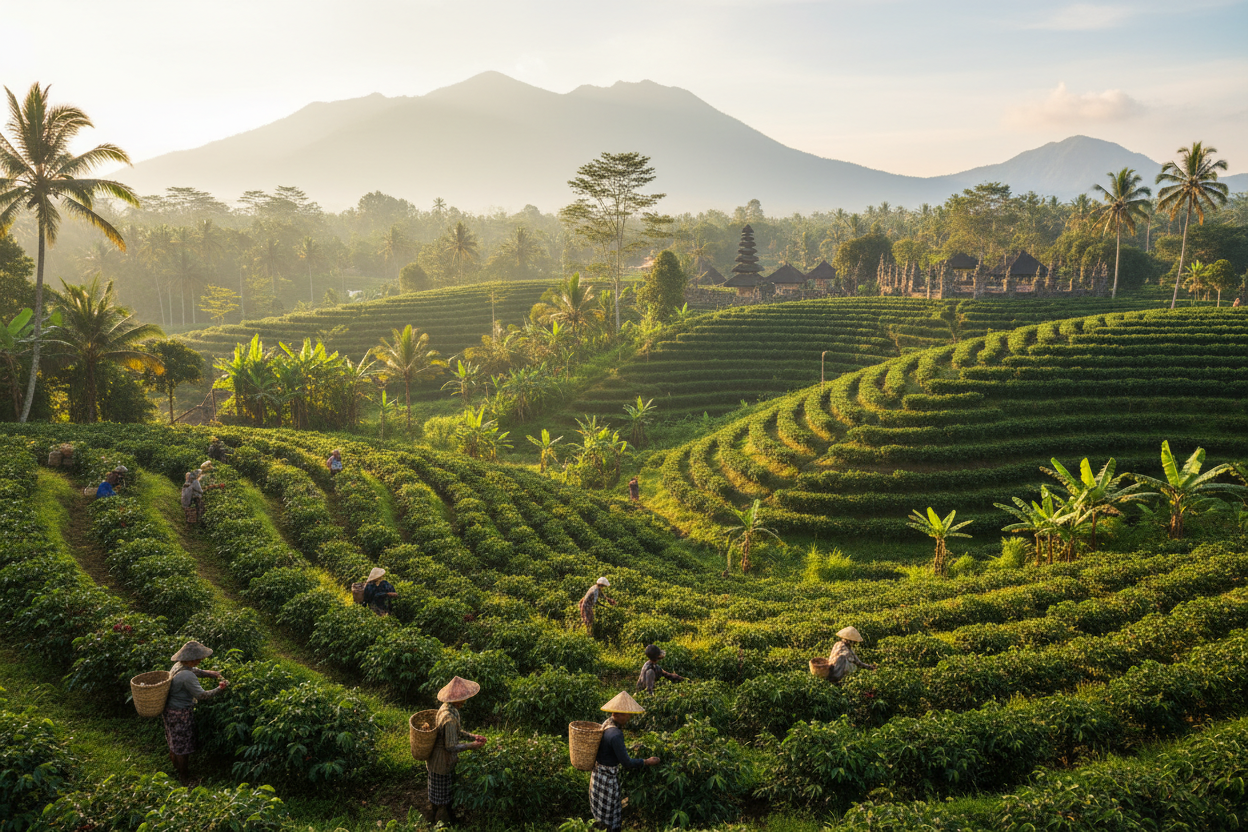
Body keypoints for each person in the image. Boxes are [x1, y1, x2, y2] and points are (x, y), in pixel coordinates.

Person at [590, 691, 660, 832]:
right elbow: (627, 763)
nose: (629, 718)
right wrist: (646, 761)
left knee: (600, 815)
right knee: (608, 819)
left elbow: (610, 749)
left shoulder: (606, 723)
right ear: (618, 714)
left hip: (597, 777)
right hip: (607, 781)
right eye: (627, 714)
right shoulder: (616, 734)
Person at [164, 640, 229, 785]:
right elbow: (202, 695)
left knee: (174, 741)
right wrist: (220, 688)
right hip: (180, 714)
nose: (201, 660)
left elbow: (194, 671)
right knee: (183, 747)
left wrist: (210, 674)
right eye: (200, 658)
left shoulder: (178, 666)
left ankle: (176, 767)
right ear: (192, 659)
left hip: (169, 710)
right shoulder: (187, 676)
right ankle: (184, 777)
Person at [426, 676, 487, 825]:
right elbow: (451, 747)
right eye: (464, 698)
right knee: (442, 796)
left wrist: (472, 736)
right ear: (458, 700)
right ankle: (441, 821)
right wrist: (472, 745)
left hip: (436, 759)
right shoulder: (450, 718)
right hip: (441, 761)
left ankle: (436, 816)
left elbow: (456, 732)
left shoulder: (447, 707)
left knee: (438, 791)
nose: (465, 701)